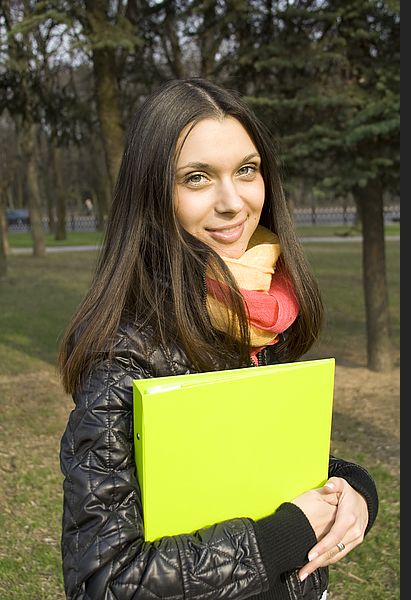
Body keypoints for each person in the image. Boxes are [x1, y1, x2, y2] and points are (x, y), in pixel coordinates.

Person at [58, 78, 378, 600]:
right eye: (198, 178)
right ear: (154, 194)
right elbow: (105, 581)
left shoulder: (262, 312)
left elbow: (265, 465)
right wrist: (287, 535)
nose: (233, 202)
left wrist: (355, 488)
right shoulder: (125, 355)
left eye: (246, 170)